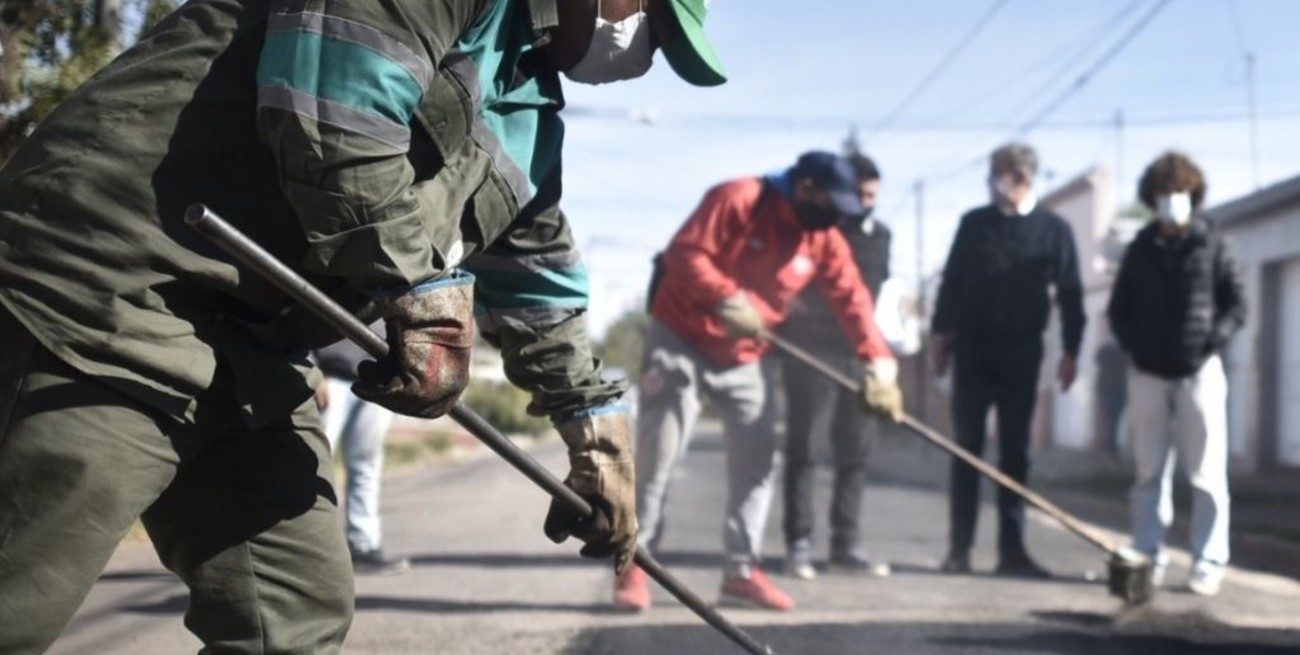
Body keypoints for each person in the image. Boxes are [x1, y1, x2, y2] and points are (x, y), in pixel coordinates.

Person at [0, 1, 726, 652]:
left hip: (249, 338)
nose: (644, 55)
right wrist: (421, 293)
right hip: (114, 279)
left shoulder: (529, 109)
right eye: (654, 25)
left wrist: (593, 427)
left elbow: (540, 280)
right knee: (20, 594)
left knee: (291, 614)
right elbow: (334, 109)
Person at [614, 151, 905, 612]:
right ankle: (635, 564)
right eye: (834, 204)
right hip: (682, 338)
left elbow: (852, 298)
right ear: (807, 187)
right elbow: (684, 253)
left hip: (746, 354)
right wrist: (727, 298)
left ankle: (742, 572)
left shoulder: (823, 235)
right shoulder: (739, 198)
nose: (837, 218)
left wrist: (879, 364)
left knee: (757, 461)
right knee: (659, 456)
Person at [930, 142, 1085, 578]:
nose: (993, 182)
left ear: (1023, 177)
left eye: (1000, 173)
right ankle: (958, 550)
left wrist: (1071, 350)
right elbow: (952, 282)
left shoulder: (1053, 229)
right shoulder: (973, 224)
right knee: (967, 450)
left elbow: (1071, 294)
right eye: (991, 174)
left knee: (1015, 452)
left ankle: (1011, 552)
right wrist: (940, 334)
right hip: (973, 351)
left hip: (1022, 353)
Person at [1107, 151, 1245, 596]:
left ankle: (1208, 560)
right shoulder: (1140, 249)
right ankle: (1148, 553)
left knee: (1206, 472)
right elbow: (1118, 310)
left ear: (1194, 195)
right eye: (1165, 193)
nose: (1172, 200)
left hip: (1198, 370)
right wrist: (1135, 346)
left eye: (1180, 193)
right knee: (1148, 470)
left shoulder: (1213, 244)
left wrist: (1211, 341)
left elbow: (1237, 304)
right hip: (1147, 372)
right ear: (1152, 197)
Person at [775, 153, 893, 580]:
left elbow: (871, 297)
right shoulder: (821, 227)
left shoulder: (881, 235)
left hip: (859, 353)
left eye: (873, 196)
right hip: (812, 350)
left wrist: (880, 358)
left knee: (856, 452)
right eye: (861, 195)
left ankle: (845, 543)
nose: (868, 203)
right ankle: (799, 544)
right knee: (806, 448)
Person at [313, 330, 409, 576]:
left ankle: (363, 546)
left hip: (379, 380)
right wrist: (310, 368)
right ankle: (309, 552)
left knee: (367, 465)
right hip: (330, 375)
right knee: (312, 464)